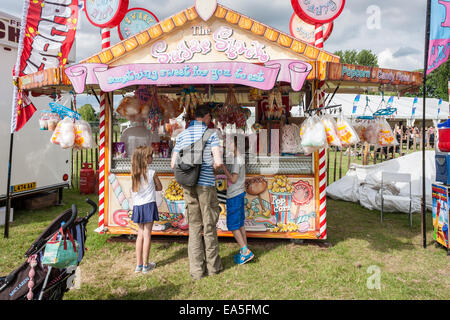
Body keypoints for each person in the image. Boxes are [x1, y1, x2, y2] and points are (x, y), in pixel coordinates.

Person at [171, 104, 224, 280]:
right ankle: (214, 267)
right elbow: (217, 162)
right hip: (206, 185)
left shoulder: (181, 135)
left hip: (188, 185)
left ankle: (196, 271)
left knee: (194, 226)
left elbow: (173, 164)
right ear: (207, 116)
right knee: (209, 225)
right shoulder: (211, 134)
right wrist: (215, 168)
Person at [222, 136, 254, 265]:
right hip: (240, 193)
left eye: (230, 142)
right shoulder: (241, 158)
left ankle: (245, 252)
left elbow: (233, 179)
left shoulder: (237, 160)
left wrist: (223, 168)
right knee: (240, 224)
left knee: (233, 225)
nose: (228, 144)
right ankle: (244, 250)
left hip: (234, 195)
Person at [130, 146, 163, 274]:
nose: (152, 158)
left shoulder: (134, 173)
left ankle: (138, 265)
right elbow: (159, 187)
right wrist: (153, 185)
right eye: (150, 156)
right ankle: (145, 265)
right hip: (149, 205)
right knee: (147, 234)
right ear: (145, 159)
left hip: (138, 206)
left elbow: (134, 190)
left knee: (140, 234)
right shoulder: (152, 172)